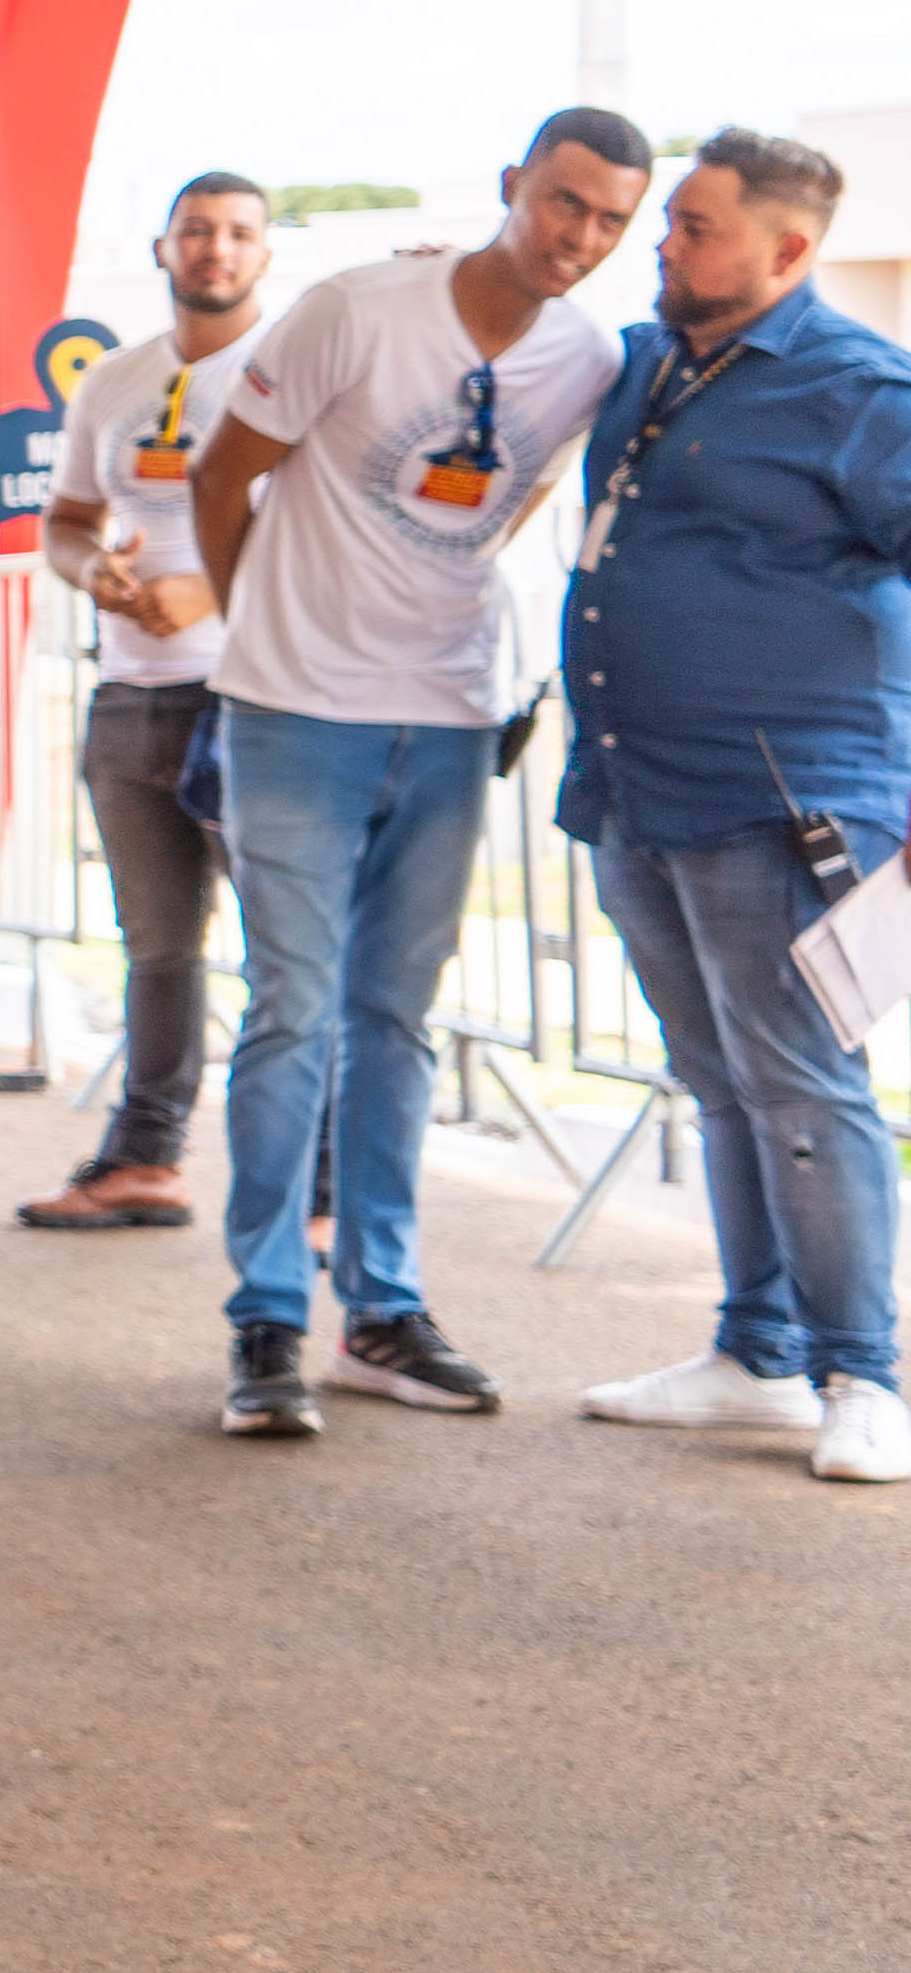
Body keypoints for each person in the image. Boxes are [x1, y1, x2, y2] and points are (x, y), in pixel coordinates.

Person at [186, 108, 644, 1437]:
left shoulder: (594, 355)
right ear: (515, 186)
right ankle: (267, 1318)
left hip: (449, 716)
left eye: (613, 219)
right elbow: (225, 480)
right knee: (291, 1012)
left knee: (395, 1020)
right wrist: (257, 636)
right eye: (566, 202)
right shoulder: (359, 309)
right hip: (294, 710)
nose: (583, 237)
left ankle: (379, 1308)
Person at [554, 131, 911, 1482]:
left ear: (789, 250)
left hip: (789, 800)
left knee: (805, 1088)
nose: (664, 247)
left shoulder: (862, 391)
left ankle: (862, 1376)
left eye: (694, 229)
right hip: (637, 789)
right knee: (718, 1081)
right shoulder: (650, 365)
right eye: (670, 228)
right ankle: (755, 1353)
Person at [20, 172, 276, 1229]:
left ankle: (311, 1189)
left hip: (255, 696)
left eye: (238, 233)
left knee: (290, 955)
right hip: (130, 700)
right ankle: (145, 1159)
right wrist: (95, 574)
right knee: (159, 947)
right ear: (164, 247)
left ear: (266, 254)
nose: (215, 248)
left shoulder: (291, 370)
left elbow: (334, 531)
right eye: (197, 231)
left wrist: (211, 584)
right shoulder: (115, 381)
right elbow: (68, 520)